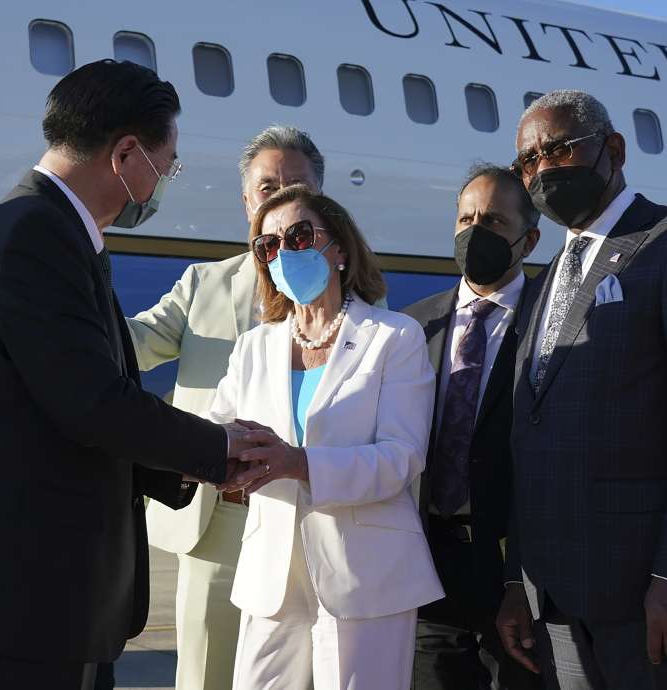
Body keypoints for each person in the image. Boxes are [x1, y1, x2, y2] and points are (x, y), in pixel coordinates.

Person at [0, 60, 257, 690]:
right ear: (125, 155)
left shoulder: (55, 230)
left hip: (49, 596)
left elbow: (69, 407)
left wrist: (193, 465)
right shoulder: (33, 230)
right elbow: (90, 401)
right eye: (166, 165)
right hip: (19, 592)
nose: (164, 182)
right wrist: (219, 448)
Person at [495, 89, 667, 690]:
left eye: (557, 150)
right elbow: (527, 439)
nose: (540, 170)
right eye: (527, 162)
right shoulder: (540, 286)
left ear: (612, 150)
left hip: (652, 594)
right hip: (557, 600)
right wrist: (518, 583)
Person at [211, 185, 444, 689]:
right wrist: (212, 462)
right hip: (271, 575)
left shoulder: (394, 337)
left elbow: (402, 458)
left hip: (366, 577)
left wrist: (299, 464)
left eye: (297, 235)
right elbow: (218, 433)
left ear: (338, 248)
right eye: (267, 245)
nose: (282, 252)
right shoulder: (254, 346)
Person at [126, 125, 326, 690]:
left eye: (298, 187)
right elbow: (134, 343)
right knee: (205, 675)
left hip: (305, 520)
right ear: (246, 202)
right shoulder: (203, 285)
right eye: (268, 188)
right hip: (216, 520)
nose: (282, 200)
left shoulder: (355, 294)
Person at [402, 164, 543, 690]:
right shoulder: (414, 326)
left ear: (528, 240)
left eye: (493, 222)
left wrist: (523, 578)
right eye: (466, 218)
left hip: (515, 569)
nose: (475, 232)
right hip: (429, 566)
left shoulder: (554, 321)